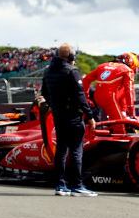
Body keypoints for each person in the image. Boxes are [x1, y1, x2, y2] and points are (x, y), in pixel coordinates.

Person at [41, 44, 98, 197]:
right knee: (76, 151)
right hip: (73, 117)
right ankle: (77, 186)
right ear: (71, 57)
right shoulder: (72, 72)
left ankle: (60, 185)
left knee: (61, 150)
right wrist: (90, 116)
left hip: (58, 116)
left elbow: (44, 93)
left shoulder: (48, 71)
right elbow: (81, 97)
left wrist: (55, 106)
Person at [82, 52, 138, 122]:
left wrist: (86, 98)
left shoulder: (102, 66)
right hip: (111, 98)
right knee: (120, 127)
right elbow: (129, 91)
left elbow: (85, 80)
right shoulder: (127, 70)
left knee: (103, 122)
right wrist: (131, 113)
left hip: (98, 98)